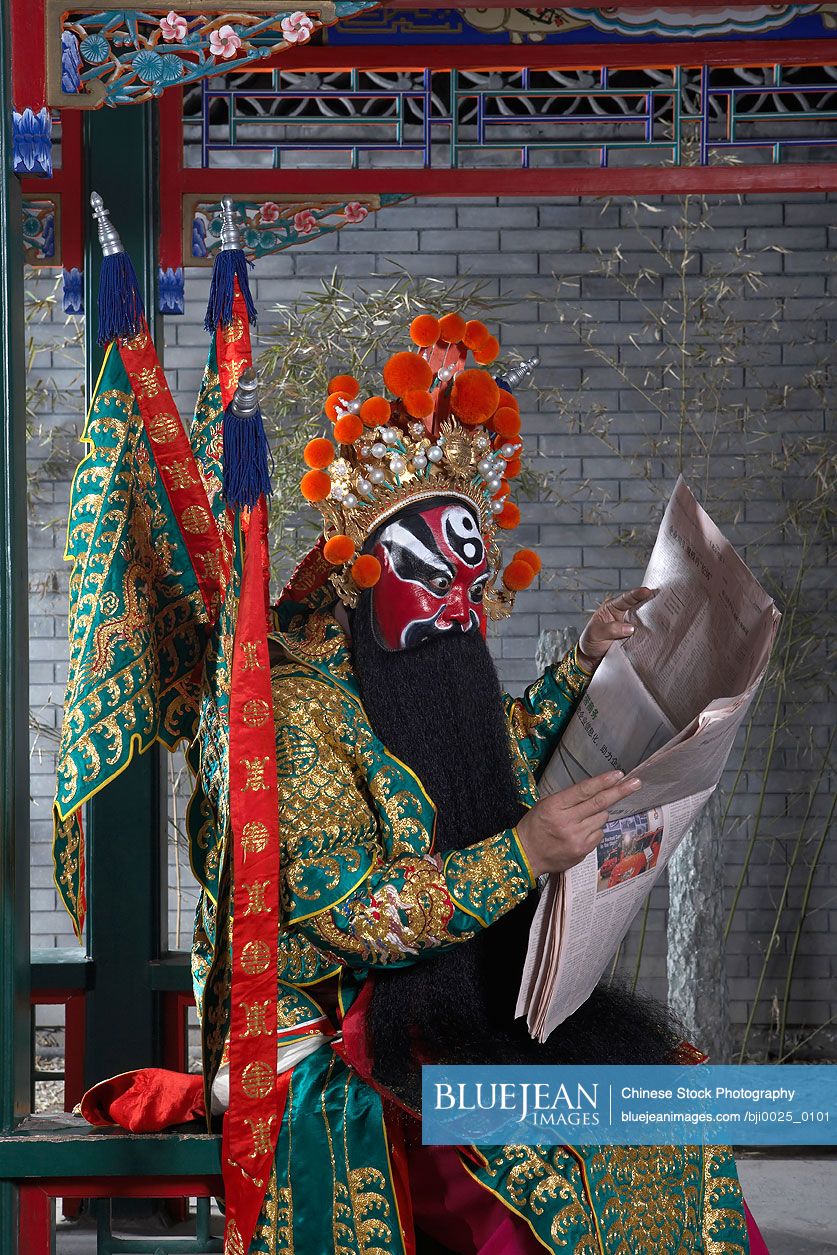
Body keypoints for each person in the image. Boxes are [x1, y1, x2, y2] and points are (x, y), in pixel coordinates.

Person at [197, 313, 763, 1254]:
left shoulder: (414, 664)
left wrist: (583, 663)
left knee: (665, 1113)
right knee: (541, 1164)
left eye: (474, 583)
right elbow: (351, 906)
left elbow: (484, 751)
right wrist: (522, 852)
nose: (461, 611)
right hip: (344, 1021)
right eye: (434, 583)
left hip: (457, 994)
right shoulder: (292, 711)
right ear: (360, 574)